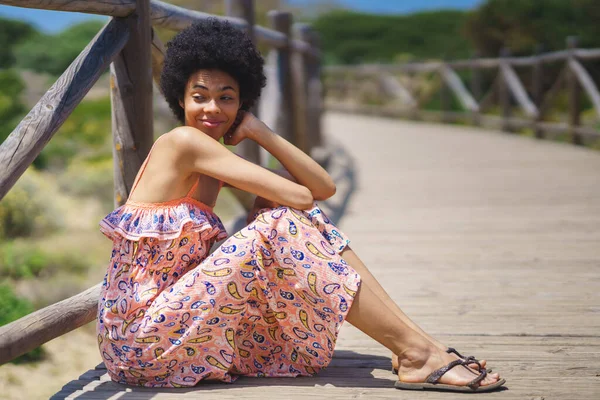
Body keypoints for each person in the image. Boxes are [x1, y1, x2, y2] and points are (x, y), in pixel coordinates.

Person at [96, 18, 505, 393]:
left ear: (243, 103)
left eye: (227, 98)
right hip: (140, 340)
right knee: (280, 222)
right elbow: (302, 194)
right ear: (179, 97)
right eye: (199, 96)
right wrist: (261, 140)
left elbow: (321, 188)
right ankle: (418, 353)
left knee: (301, 218)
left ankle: (418, 346)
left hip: (178, 322)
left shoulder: (209, 150)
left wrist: (261, 131)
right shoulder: (184, 144)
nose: (212, 109)